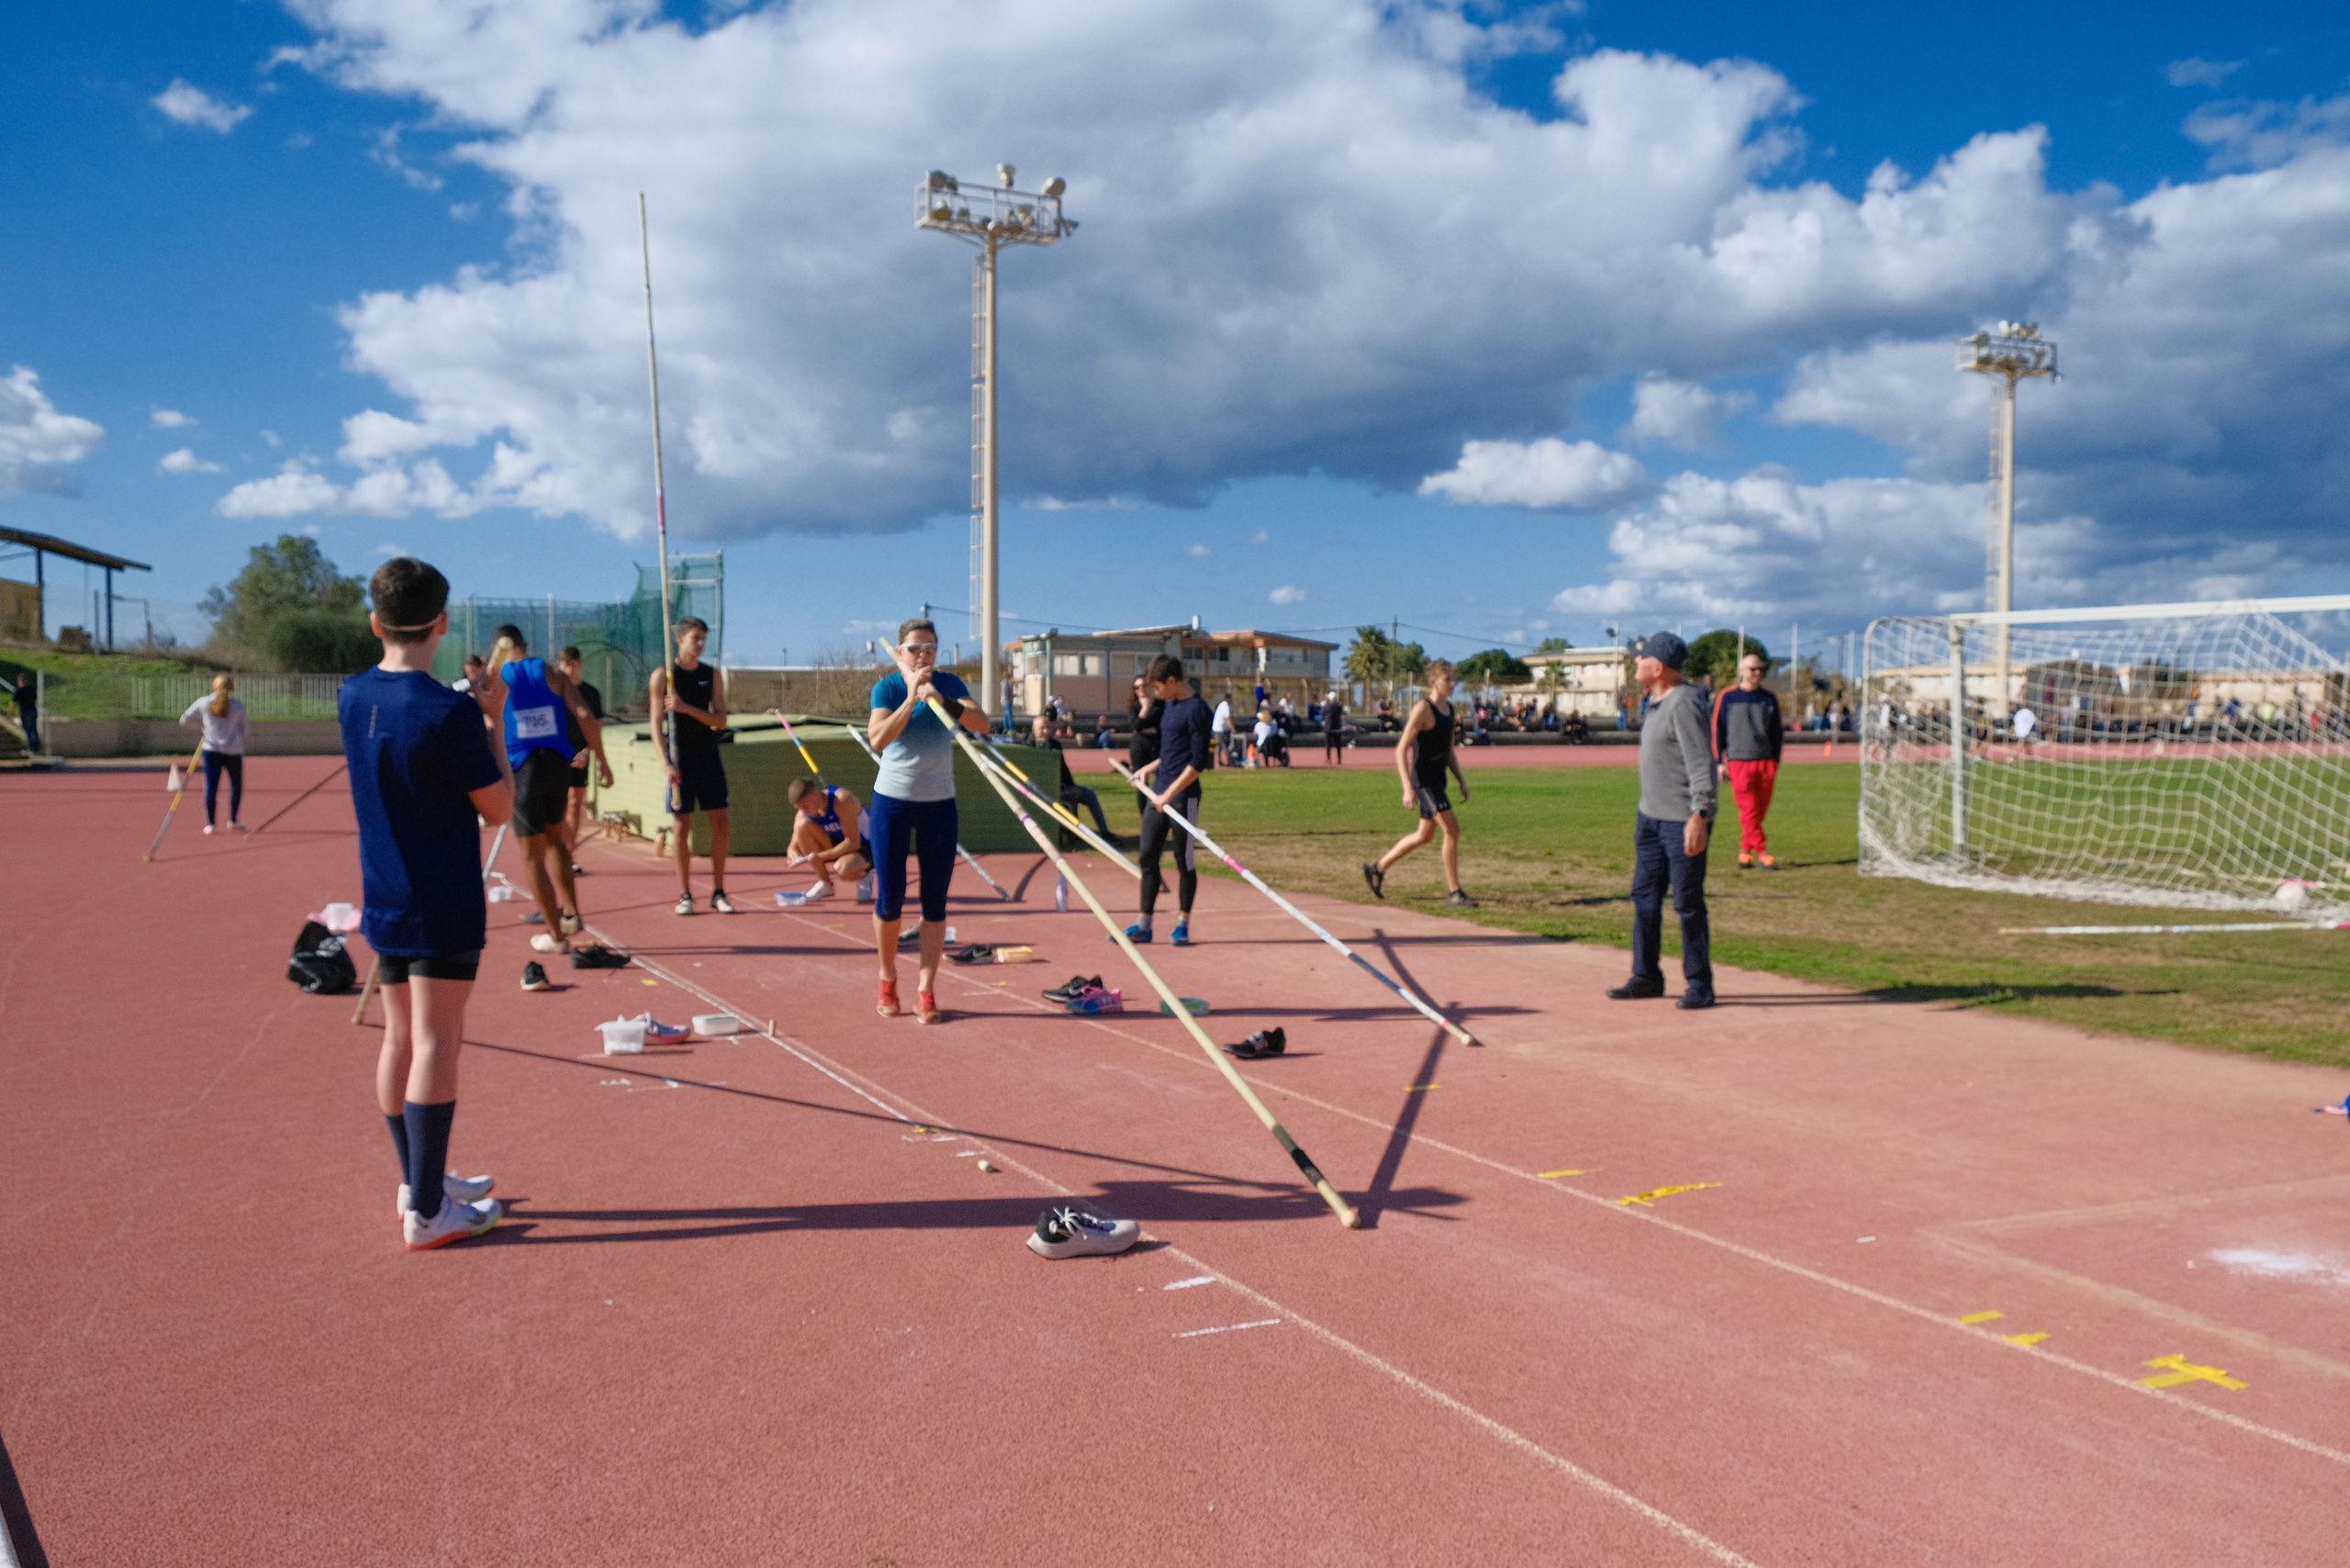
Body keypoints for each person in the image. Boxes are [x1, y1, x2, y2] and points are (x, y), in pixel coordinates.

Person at [340, 557, 511, 1249]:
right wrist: (490, 720)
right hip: (440, 893)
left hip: (382, 890)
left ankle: (420, 1183)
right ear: (442, 624)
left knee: (401, 1037)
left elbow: (399, 721)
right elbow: (497, 808)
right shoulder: (452, 712)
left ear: (376, 622)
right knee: (438, 1039)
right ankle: (429, 1212)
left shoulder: (352, 695)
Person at [869, 618, 990, 1023]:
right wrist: (910, 699)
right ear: (901, 651)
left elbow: (982, 723)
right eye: (916, 648)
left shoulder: (950, 685)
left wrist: (941, 699)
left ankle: (926, 988)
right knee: (891, 897)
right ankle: (887, 978)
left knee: (935, 901)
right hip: (894, 802)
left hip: (940, 802)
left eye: (931, 648)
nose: (924, 655)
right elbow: (877, 739)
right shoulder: (886, 687)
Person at [480, 626, 605, 954]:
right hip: (557, 768)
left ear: (497, 648)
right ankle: (571, 914)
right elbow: (586, 717)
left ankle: (555, 936)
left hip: (523, 770)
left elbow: (483, 722)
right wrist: (603, 761)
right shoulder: (550, 673)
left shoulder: (497, 678)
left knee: (532, 857)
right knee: (556, 842)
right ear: (527, 645)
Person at [1608, 633, 1716, 1009]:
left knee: (1687, 903)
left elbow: (1702, 763)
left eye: (1642, 658)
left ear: (1659, 667)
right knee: (1645, 899)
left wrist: (1700, 815)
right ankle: (1646, 976)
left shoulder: (1685, 703)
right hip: (1650, 818)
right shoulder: (1654, 702)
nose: (1636, 663)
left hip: (1681, 821)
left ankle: (1700, 984)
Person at [1361, 659, 1474, 908]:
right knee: (1452, 831)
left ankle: (1377, 868)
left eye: (1454, 679)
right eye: (1448, 680)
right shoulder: (1423, 709)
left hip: (1438, 782)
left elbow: (1448, 751)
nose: (1453, 684)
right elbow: (1401, 749)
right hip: (1424, 783)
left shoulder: (1451, 710)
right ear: (1433, 682)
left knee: (1424, 835)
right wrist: (1407, 787)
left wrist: (1461, 781)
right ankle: (1454, 893)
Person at [649, 617, 733, 915]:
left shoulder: (711, 675)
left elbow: (721, 720)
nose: (701, 644)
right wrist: (665, 763)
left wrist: (686, 709)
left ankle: (719, 891)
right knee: (681, 825)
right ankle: (685, 894)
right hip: (679, 757)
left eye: (704, 639)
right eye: (696, 638)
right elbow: (656, 724)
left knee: (720, 823)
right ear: (680, 638)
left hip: (707, 755)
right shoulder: (663, 676)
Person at [1126, 655, 1208, 946]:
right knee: (1147, 855)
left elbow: (1197, 763)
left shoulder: (1197, 709)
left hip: (1183, 796)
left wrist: (1169, 795)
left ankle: (1183, 924)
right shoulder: (1170, 706)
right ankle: (1143, 924)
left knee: (1183, 860)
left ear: (1172, 682)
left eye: (1158, 687)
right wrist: (1146, 769)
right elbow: (1172, 752)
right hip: (1160, 791)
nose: (1156, 694)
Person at [1711, 652, 1784, 871]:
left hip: (1765, 762)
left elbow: (1777, 732)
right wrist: (1719, 761)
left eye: (1760, 669)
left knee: (1759, 811)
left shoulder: (1769, 698)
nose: (1757, 673)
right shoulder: (1728, 697)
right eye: (1752, 669)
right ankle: (1763, 852)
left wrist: (1775, 761)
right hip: (1739, 761)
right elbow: (1717, 730)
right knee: (1749, 810)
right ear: (1741, 671)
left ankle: (1745, 852)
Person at [554, 645, 612, 873]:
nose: (569, 669)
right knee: (558, 807)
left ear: (580, 665)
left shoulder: (590, 693)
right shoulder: (553, 692)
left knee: (575, 804)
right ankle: (559, 852)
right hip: (558, 754)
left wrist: (589, 750)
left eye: (573, 664)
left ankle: (568, 855)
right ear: (559, 665)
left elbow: (596, 725)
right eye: (565, 664)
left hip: (581, 753)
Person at [179, 674, 250, 834]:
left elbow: (184, 720)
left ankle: (210, 824)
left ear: (214, 686)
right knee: (236, 785)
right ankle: (233, 820)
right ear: (232, 688)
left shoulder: (203, 703)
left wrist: (202, 728)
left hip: (211, 750)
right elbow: (245, 731)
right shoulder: (238, 706)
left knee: (211, 786)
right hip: (233, 751)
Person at [786, 776, 871, 899]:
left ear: (815, 795)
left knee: (843, 869)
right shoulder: (806, 812)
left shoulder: (842, 801)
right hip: (841, 845)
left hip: (867, 846)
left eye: (805, 806)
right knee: (801, 826)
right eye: (799, 808)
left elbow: (853, 843)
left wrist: (819, 857)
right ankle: (826, 884)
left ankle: (864, 876)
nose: (803, 811)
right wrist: (792, 852)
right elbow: (794, 843)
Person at [1029, 712, 1112, 837]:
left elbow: (1064, 770)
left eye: (1048, 727)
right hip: (1037, 790)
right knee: (1070, 796)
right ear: (1033, 730)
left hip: (1058, 786)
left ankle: (1105, 833)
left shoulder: (1055, 745)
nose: (1046, 732)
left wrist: (1072, 786)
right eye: (1042, 728)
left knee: (1088, 793)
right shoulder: (1026, 745)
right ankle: (1072, 833)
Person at [1129, 676, 1164, 823]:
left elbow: (1161, 726)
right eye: (1137, 687)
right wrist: (1145, 708)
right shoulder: (1134, 706)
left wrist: (1144, 725)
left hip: (1156, 744)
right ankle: (1145, 818)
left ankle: (1161, 813)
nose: (1141, 689)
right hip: (1139, 745)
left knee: (1162, 778)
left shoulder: (1160, 704)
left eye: (1143, 686)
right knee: (1141, 780)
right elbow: (1135, 726)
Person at [13, 669, 39, 754]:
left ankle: (31, 747)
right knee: (34, 729)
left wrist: (11, 712)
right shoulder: (31, 688)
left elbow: (15, 701)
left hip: (25, 712)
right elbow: (35, 697)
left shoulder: (19, 690)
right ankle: (36, 748)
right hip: (33, 710)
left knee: (27, 730)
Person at [1209, 689, 1235, 767]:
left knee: (1219, 745)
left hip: (1217, 728)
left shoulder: (1222, 705)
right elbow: (1228, 718)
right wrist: (1233, 729)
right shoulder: (1225, 706)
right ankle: (1229, 762)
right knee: (1224, 745)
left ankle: (1219, 762)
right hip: (1220, 729)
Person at [1323, 689, 1347, 764]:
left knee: (1328, 744)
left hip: (1328, 727)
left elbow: (1323, 712)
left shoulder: (1327, 706)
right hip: (1337, 727)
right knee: (1338, 744)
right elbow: (1342, 712)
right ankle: (1339, 759)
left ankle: (1328, 759)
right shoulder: (1339, 706)